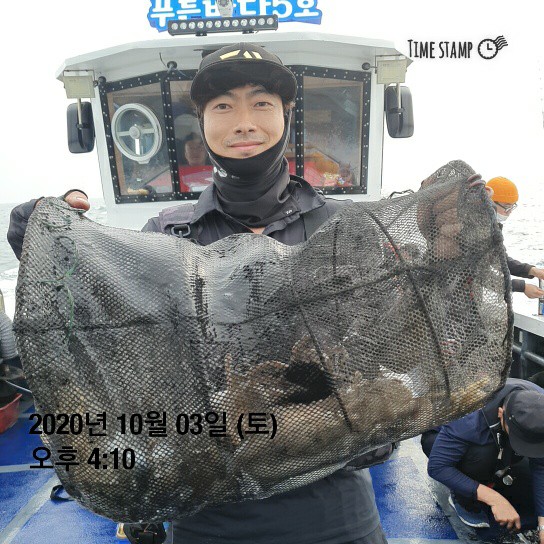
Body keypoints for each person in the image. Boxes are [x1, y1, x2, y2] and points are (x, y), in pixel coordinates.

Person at [7, 43, 388, 544]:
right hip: (208, 517)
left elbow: (383, 358)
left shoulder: (347, 228)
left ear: (287, 114)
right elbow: (106, 339)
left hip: (338, 517)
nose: (244, 122)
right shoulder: (164, 237)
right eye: (223, 106)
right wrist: (43, 245)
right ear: (201, 122)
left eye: (262, 103)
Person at [421, 378, 544, 542]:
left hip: (498, 436)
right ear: (500, 413)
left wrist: (543, 523)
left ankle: (496, 473)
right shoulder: (469, 415)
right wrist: (495, 499)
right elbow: (438, 467)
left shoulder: (540, 405)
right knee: (480, 458)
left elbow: (541, 466)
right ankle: (462, 497)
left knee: (529, 493)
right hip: (445, 440)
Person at [486, 176, 544, 299]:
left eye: (512, 207)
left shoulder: (491, 226)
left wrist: (531, 270)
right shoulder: (472, 229)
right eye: (506, 206)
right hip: (453, 296)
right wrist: (522, 287)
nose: (509, 212)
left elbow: (499, 259)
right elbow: (477, 275)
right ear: (489, 203)